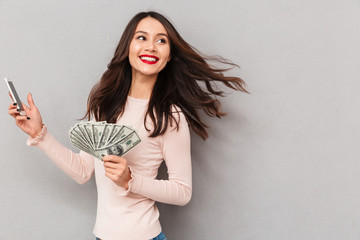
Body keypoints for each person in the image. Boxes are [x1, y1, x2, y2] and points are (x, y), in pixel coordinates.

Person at [7, 11, 247, 240]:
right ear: (128, 47)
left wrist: (130, 180)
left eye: (161, 41)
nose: (150, 46)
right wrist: (40, 134)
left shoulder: (169, 116)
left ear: (169, 55)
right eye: (141, 37)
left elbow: (183, 192)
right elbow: (83, 171)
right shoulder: (104, 105)